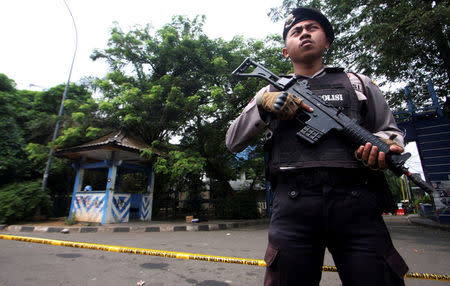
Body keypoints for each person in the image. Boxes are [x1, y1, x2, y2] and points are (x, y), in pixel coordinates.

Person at [226, 7, 409, 286]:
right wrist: (264, 107)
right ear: (286, 51)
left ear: (327, 42)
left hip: (356, 202)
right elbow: (232, 141)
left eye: (312, 28)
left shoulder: (357, 83)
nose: (304, 34)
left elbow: (390, 131)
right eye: (295, 32)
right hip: (293, 203)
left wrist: (385, 144)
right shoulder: (268, 90)